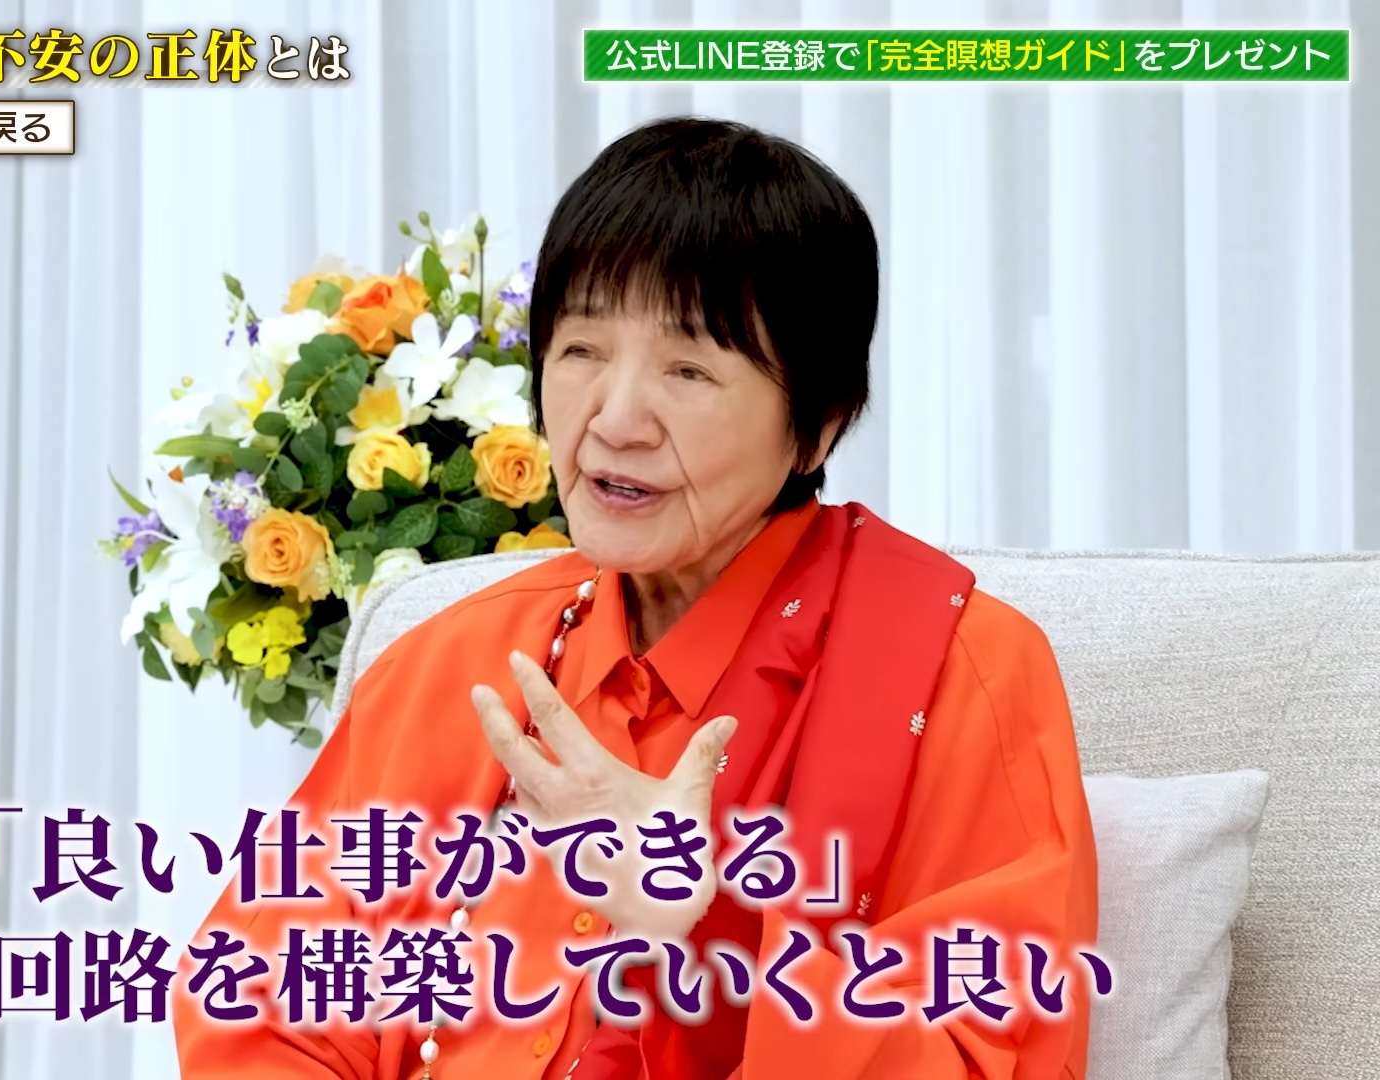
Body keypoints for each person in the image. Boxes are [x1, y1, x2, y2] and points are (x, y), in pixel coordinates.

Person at [174, 117, 1097, 1079]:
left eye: (689, 369)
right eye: (581, 350)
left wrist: (702, 931)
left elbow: (995, 1056)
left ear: (817, 424)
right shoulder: (455, 659)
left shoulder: (961, 674)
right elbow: (261, 1005)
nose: (614, 421)